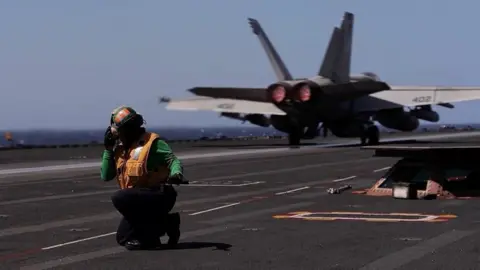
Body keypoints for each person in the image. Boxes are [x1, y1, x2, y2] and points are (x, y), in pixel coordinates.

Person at [100, 105, 184, 250]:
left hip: (159, 196)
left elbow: (173, 160)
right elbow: (106, 175)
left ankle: (152, 232)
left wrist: (176, 174)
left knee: (119, 197)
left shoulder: (152, 143)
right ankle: (167, 223)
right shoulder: (120, 150)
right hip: (137, 201)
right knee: (124, 238)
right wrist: (108, 150)